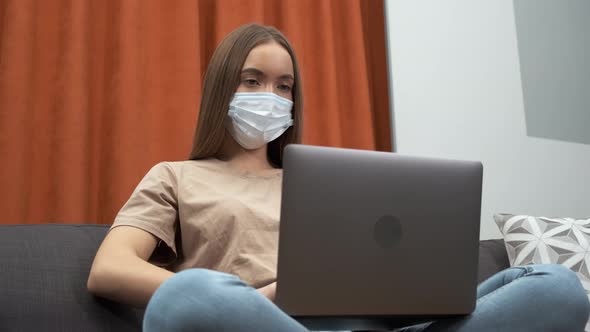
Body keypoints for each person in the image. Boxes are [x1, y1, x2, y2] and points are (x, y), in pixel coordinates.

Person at [87, 23, 590, 332]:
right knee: (184, 298)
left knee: (558, 286)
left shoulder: (326, 182)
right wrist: (256, 296)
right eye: (252, 80)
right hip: (266, 321)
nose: (272, 96)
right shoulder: (176, 177)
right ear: (223, 87)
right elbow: (109, 270)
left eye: (284, 87)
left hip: (381, 322)